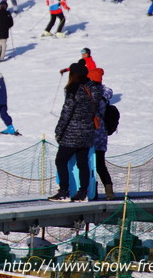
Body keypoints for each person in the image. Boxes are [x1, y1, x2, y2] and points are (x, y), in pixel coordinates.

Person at [49, 62, 102, 202]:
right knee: (82, 162)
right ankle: (82, 192)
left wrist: (58, 131)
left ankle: (64, 191)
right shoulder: (94, 89)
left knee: (60, 160)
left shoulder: (73, 89)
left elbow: (66, 113)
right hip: (88, 133)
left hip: (72, 133)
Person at [87, 68, 115, 200]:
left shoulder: (91, 94)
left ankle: (91, 191)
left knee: (86, 164)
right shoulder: (105, 94)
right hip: (102, 134)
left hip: (90, 133)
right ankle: (109, 191)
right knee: (100, 165)